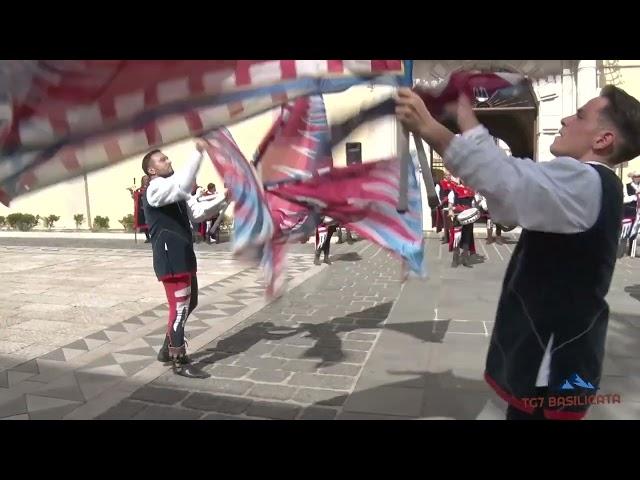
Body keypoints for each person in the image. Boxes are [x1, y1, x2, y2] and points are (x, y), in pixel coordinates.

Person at [396, 84, 640, 420]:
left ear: (602, 140)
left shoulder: (582, 181)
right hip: (548, 356)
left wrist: (429, 127)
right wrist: (465, 115)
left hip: (548, 362)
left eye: (581, 115)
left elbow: (505, 181)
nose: (566, 119)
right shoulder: (591, 184)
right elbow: (508, 201)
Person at [142, 140, 228, 378]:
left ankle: (165, 349)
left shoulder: (175, 189)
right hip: (170, 255)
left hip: (183, 253)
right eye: (162, 159)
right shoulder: (156, 188)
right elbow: (183, 185)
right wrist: (198, 151)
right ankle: (179, 360)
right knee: (179, 309)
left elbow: (199, 214)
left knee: (191, 303)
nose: (168, 160)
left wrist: (225, 197)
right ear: (151, 170)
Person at [623, 171, 640, 256]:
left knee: (636, 232)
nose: (637, 178)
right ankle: (625, 250)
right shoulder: (627, 186)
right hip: (630, 211)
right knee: (627, 231)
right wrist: (634, 197)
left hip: (638, 212)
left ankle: (632, 251)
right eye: (636, 176)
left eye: (639, 176)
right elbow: (624, 199)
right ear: (632, 177)